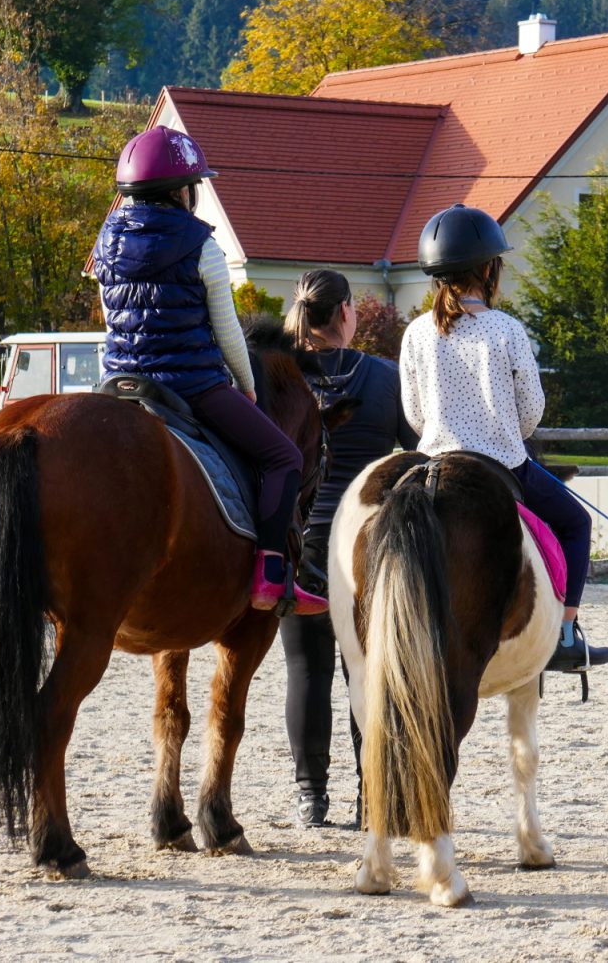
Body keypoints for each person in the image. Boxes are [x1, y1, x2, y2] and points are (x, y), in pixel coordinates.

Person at [92, 125, 324, 614]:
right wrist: (246, 385)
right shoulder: (202, 246)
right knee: (283, 457)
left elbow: (111, 321)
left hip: (117, 383)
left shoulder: (105, 243)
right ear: (182, 191)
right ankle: (271, 575)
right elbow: (228, 334)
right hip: (189, 384)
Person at [399, 203, 608, 673]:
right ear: (488, 268)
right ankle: (565, 634)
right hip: (502, 463)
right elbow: (531, 411)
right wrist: (504, 435)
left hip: (433, 462)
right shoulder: (508, 329)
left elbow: (415, 414)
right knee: (576, 523)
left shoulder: (415, 333)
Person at [282, 269, 418, 827]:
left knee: (305, 669)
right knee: (368, 669)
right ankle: (371, 795)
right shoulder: (385, 377)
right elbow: (416, 450)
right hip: (370, 537)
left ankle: (310, 798)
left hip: (305, 538)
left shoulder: (282, 378)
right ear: (344, 314)